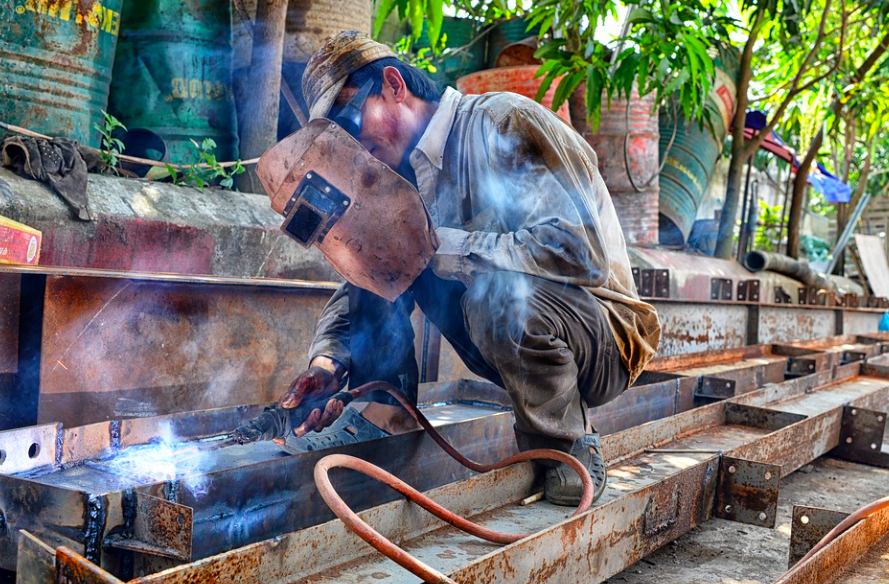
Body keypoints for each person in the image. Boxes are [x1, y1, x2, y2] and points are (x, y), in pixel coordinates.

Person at [276, 30, 661, 505]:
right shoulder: (398, 180)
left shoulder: (503, 122)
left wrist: (440, 245)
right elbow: (366, 278)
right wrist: (329, 362)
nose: (352, 144)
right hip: (516, 335)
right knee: (376, 244)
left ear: (394, 85)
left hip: (602, 334)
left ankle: (566, 448)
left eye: (351, 121)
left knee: (492, 294)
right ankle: (383, 416)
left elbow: (580, 251)